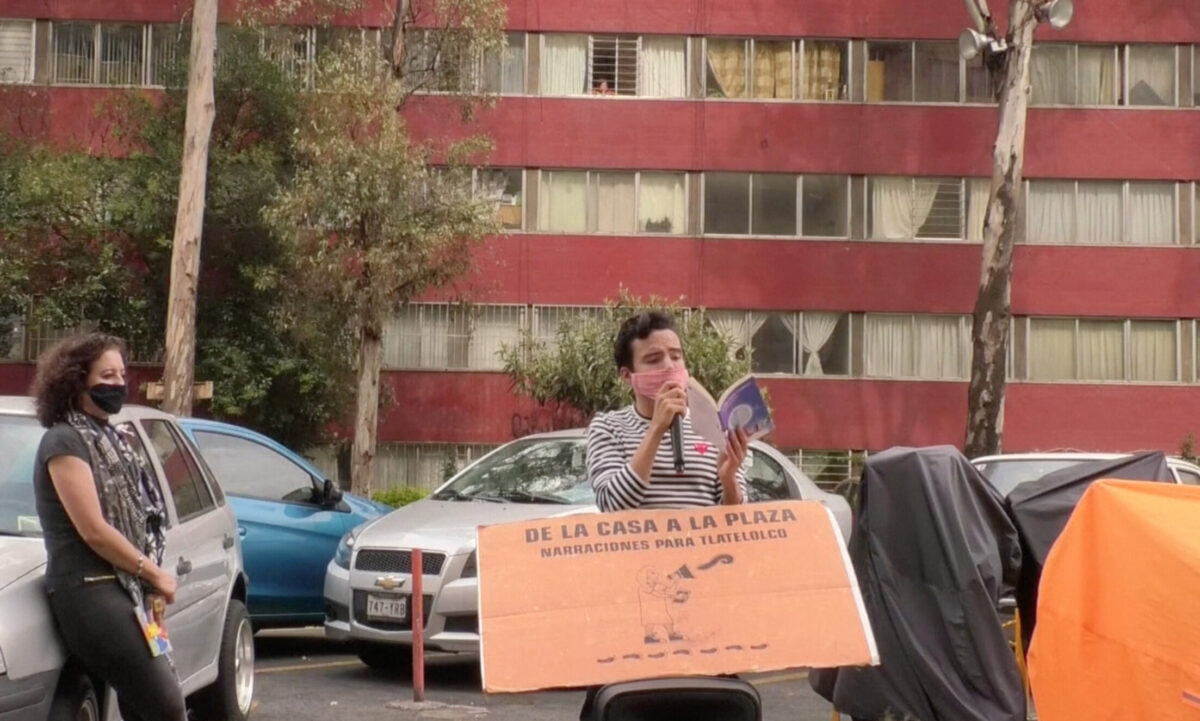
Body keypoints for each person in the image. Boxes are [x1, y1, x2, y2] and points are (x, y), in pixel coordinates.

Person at [31, 332, 186, 721]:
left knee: (143, 704)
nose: (118, 383)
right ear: (76, 380)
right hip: (89, 591)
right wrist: (153, 573)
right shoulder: (64, 442)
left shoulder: (113, 439)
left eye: (121, 374)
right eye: (106, 376)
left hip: (126, 587)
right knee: (166, 706)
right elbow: (94, 530)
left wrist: (149, 585)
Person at [587, 310, 749, 511]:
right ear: (627, 375)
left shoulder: (713, 425)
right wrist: (656, 429)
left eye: (676, 356)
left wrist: (728, 478)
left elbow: (736, 516)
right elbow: (612, 506)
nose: (669, 366)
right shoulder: (608, 428)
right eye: (653, 359)